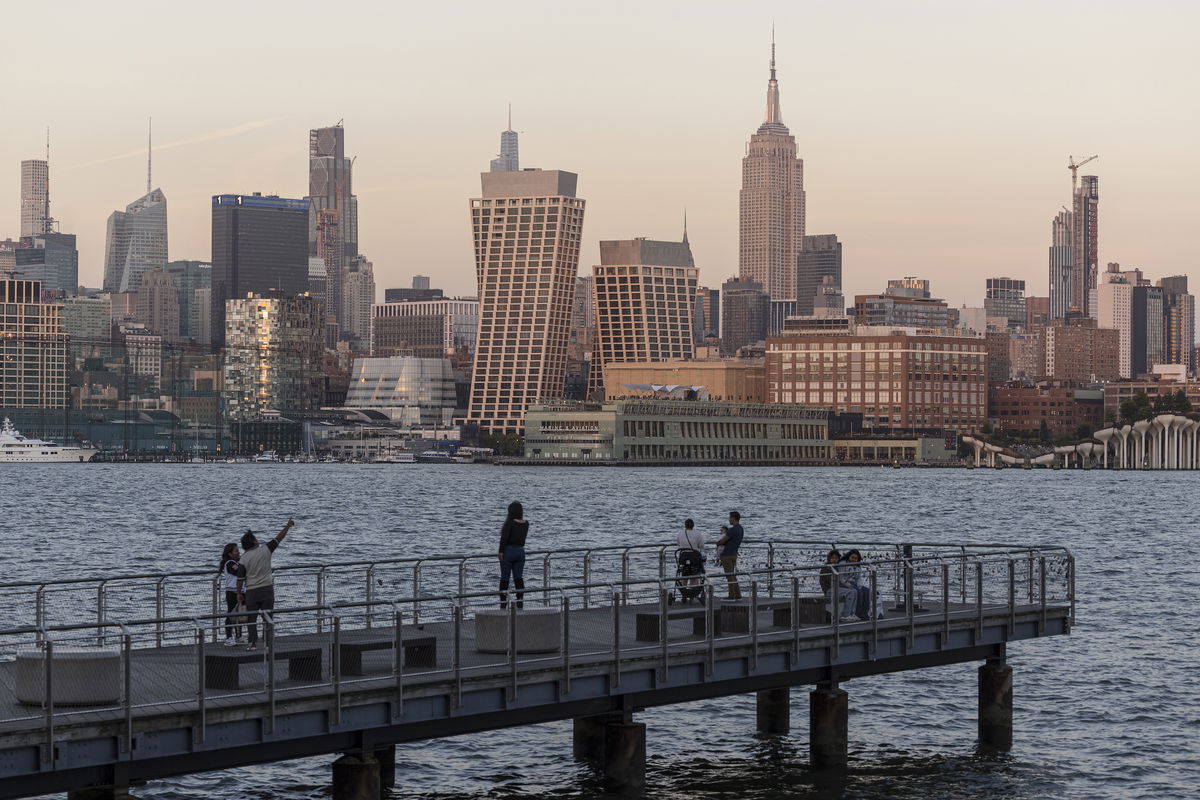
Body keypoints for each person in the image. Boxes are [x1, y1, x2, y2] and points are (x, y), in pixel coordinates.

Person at [236, 518, 294, 651]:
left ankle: (252, 643)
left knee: (252, 618)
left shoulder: (243, 559)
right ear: (255, 542)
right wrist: (287, 526)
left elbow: (240, 579)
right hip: (267, 589)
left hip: (251, 591)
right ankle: (268, 643)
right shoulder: (266, 549)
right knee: (268, 617)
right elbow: (279, 537)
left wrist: (239, 593)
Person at [497, 501, 528, 609]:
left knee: (505, 578)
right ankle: (520, 602)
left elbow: (504, 539)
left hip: (509, 552)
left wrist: (500, 552)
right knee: (518, 578)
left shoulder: (509, 523)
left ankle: (503, 604)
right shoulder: (526, 523)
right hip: (520, 552)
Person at [819, 549, 858, 623]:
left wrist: (846, 586)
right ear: (829, 558)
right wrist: (846, 587)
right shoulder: (826, 568)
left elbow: (840, 581)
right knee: (850, 592)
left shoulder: (836, 567)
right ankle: (845, 615)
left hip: (837, 588)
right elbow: (833, 582)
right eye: (832, 558)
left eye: (836, 558)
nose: (834, 560)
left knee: (855, 591)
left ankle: (852, 613)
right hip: (829, 590)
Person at [218, 542, 244, 646]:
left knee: (241, 614)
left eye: (238, 551)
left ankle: (239, 635)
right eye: (236, 551)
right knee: (231, 614)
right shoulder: (229, 563)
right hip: (232, 591)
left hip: (242, 591)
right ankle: (229, 637)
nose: (239, 553)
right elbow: (239, 572)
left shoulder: (238, 563)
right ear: (230, 553)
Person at [714, 511, 744, 600]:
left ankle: (732, 596)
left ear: (733, 519)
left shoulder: (732, 529)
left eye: (730, 518)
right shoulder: (741, 529)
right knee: (733, 575)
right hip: (734, 554)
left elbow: (723, 540)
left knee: (729, 576)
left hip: (727, 554)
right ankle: (738, 595)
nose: (729, 519)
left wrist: (718, 543)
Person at [675, 519, 705, 601]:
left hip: (684, 557)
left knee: (684, 575)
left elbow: (678, 544)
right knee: (694, 576)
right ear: (693, 525)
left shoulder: (680, 533)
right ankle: (692, 594)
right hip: (694, 557)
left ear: (685, 525)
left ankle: (684, 594)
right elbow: (701, 545)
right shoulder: (697, 533)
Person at [840, 549, 871, 621]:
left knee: (867, 591)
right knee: (859, 592)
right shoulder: (843, 563)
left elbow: (859, 578)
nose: (853, 559)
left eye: (855, 558)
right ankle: (857, 613)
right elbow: (841, 578)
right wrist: (847, 585)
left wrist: (860, 586)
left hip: (855, 583)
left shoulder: (857, 566)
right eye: (852, 557)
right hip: (845, 583)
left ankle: (864, 613)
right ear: (848, 556)